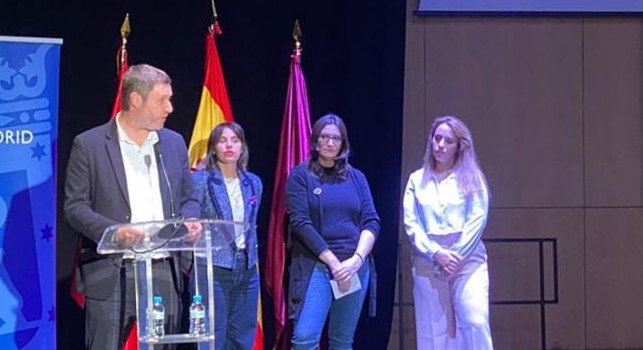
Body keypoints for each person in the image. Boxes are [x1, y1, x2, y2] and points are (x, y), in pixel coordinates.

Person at [64, 64, 201, 350]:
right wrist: (113, 232)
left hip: (163, 269)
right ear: (136, 99)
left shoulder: (174, 143)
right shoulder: (89, 144)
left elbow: (189, 198)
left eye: (170, 99)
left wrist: (189, 221)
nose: (170, 108)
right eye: (162, 100)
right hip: (112, 271)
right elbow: (75, 207)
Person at [286, 113, 380, 350]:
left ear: (343, 143)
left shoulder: (357, 177)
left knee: (342, 341)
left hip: (354, 268)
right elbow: (300, 223)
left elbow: (371, 221)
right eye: (324, 137)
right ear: (315, 141)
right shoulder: (300, 176)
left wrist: (356, 260)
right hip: (317, 266)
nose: (329, 143)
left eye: (335, 138)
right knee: (305, 339)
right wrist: (334, 264)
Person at [403, 115, 494, 350]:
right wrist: (436, 253)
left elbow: (478, 219)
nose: (441, 145)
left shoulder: (472, 178)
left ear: (459, 146)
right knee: (434, 332)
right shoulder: (416, 179)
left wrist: (455, 255)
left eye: (448, 141)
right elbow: (411, 222)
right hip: (428, 261)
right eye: (437, 138)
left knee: (475, 321)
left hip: (467, 260)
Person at [193, 122, 263, 350]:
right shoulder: (201, 180)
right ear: (213, 148)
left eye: (235, 140)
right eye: (223, 141)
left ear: (242, 147)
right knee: (213, 336)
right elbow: (191, 220)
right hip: (213, 267)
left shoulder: (253, 183)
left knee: (242, 336)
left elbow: (251, 225)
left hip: (247, 267)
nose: (229, 145)